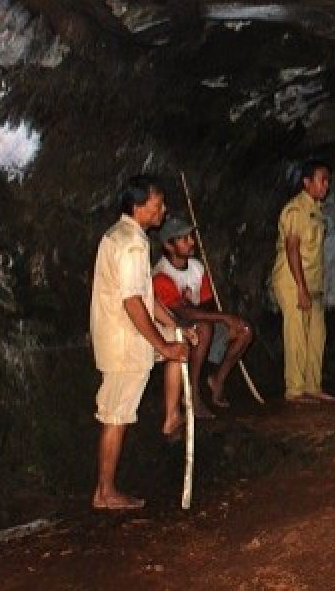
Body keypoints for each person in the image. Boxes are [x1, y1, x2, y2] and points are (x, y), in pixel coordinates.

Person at [90, 174, 190, 510]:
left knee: (179, 343)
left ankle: (170, 416)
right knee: (116, 415)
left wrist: (175, 327)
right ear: (138, 206)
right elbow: (133, 303)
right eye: (157, 204)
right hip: (124, 342)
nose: (163, 210)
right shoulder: (132, 245)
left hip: (126, 335)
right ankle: (105, 492)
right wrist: (162, 346)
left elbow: (145, 299)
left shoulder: (120, 235)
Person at [152, 215, 255, 433]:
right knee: (205, 327)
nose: (192, 242)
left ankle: (217, 380)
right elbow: (183, 313)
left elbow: (206, 305)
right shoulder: (161, 275)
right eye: (184, 239)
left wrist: (227, 322)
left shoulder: (197, 267)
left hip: (199, 325)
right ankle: (193, 390)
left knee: (243, 331)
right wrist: (224, 318)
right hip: (174, 329)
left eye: (191, 237)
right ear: (169, 245)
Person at [271, 159, 335, 404]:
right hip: (292, 280)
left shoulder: (316, 211)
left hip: (312, 282)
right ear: (307, 182)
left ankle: (312, 385)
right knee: (297, 334)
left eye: (328, 180)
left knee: (317, 335)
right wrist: (300, 287)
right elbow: (292, 248)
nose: (326, 185)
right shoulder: (296, 210)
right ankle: (295, 390)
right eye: (322, 179)